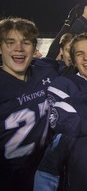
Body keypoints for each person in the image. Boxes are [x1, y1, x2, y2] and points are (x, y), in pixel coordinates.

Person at [0, 17, 59, 190]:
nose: (19, 48)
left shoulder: (46, 72)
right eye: (10, 42)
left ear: (34, 48)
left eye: (26, 42)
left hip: (41, 174)